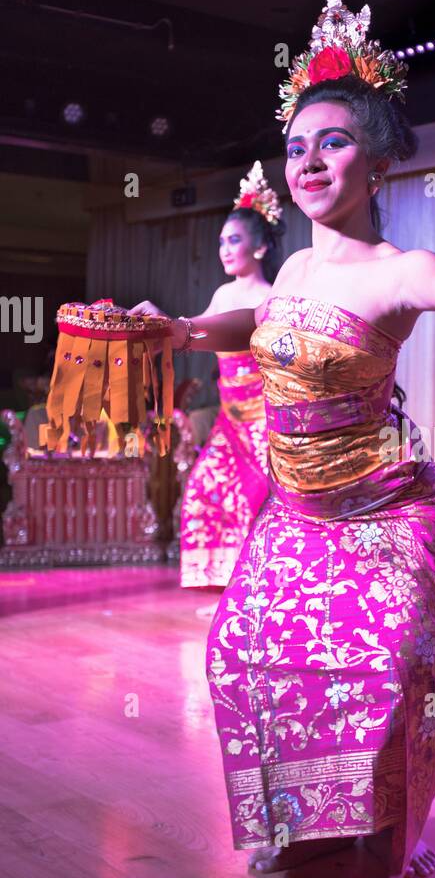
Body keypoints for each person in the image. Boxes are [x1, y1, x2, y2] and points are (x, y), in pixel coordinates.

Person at [134, 0, 435, 878]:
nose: (310, 162)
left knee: (390, 664)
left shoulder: (398, 272)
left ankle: (390, 820)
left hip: (388, 509)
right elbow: (239, 322)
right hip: (298, 512)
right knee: (240, 652)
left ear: (381, 158)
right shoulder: (293, 272)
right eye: (297, 147)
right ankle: (304, 819)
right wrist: (182, 330)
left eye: (335, 142)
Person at [179, 164, 282, 589]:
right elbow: (190, 330)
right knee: (203, 489)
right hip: (229, 420)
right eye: (221, 241)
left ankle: (260, 586)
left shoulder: (269, 298)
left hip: (264, 423)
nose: (224, 249)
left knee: (259, 501)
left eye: (234, 240)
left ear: (259, 248)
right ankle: (228, 584)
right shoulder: (223, 295)